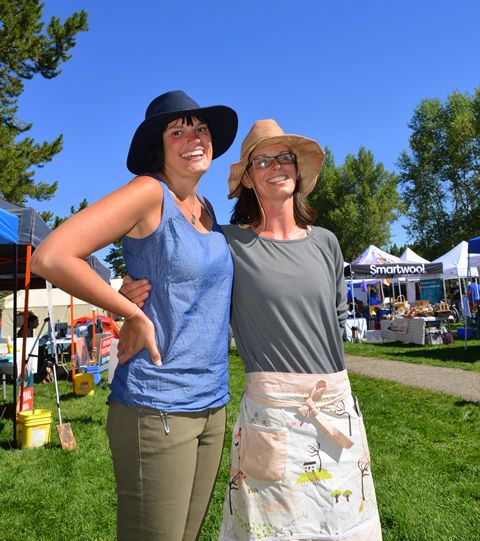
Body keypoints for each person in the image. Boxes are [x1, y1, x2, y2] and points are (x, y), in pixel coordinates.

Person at [121, 119, 382, 540]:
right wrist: (134, 292)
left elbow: (335, 321)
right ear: (247, 177)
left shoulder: (327, 243)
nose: (276, 166)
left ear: (298, 171)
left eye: (285, 158)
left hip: (334, 410)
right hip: (271, 416)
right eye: (263, 160)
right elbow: (180, 269)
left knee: (344, 526)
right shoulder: (229, 244)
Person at [31, 90, 238, 541]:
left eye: (200, 128)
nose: (194, 138)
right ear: (158, 148)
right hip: (156, 405)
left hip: (211, 406)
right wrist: (128, 311)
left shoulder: (207, 212)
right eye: (177, 131)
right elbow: (50, 256)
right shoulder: (149, 193)